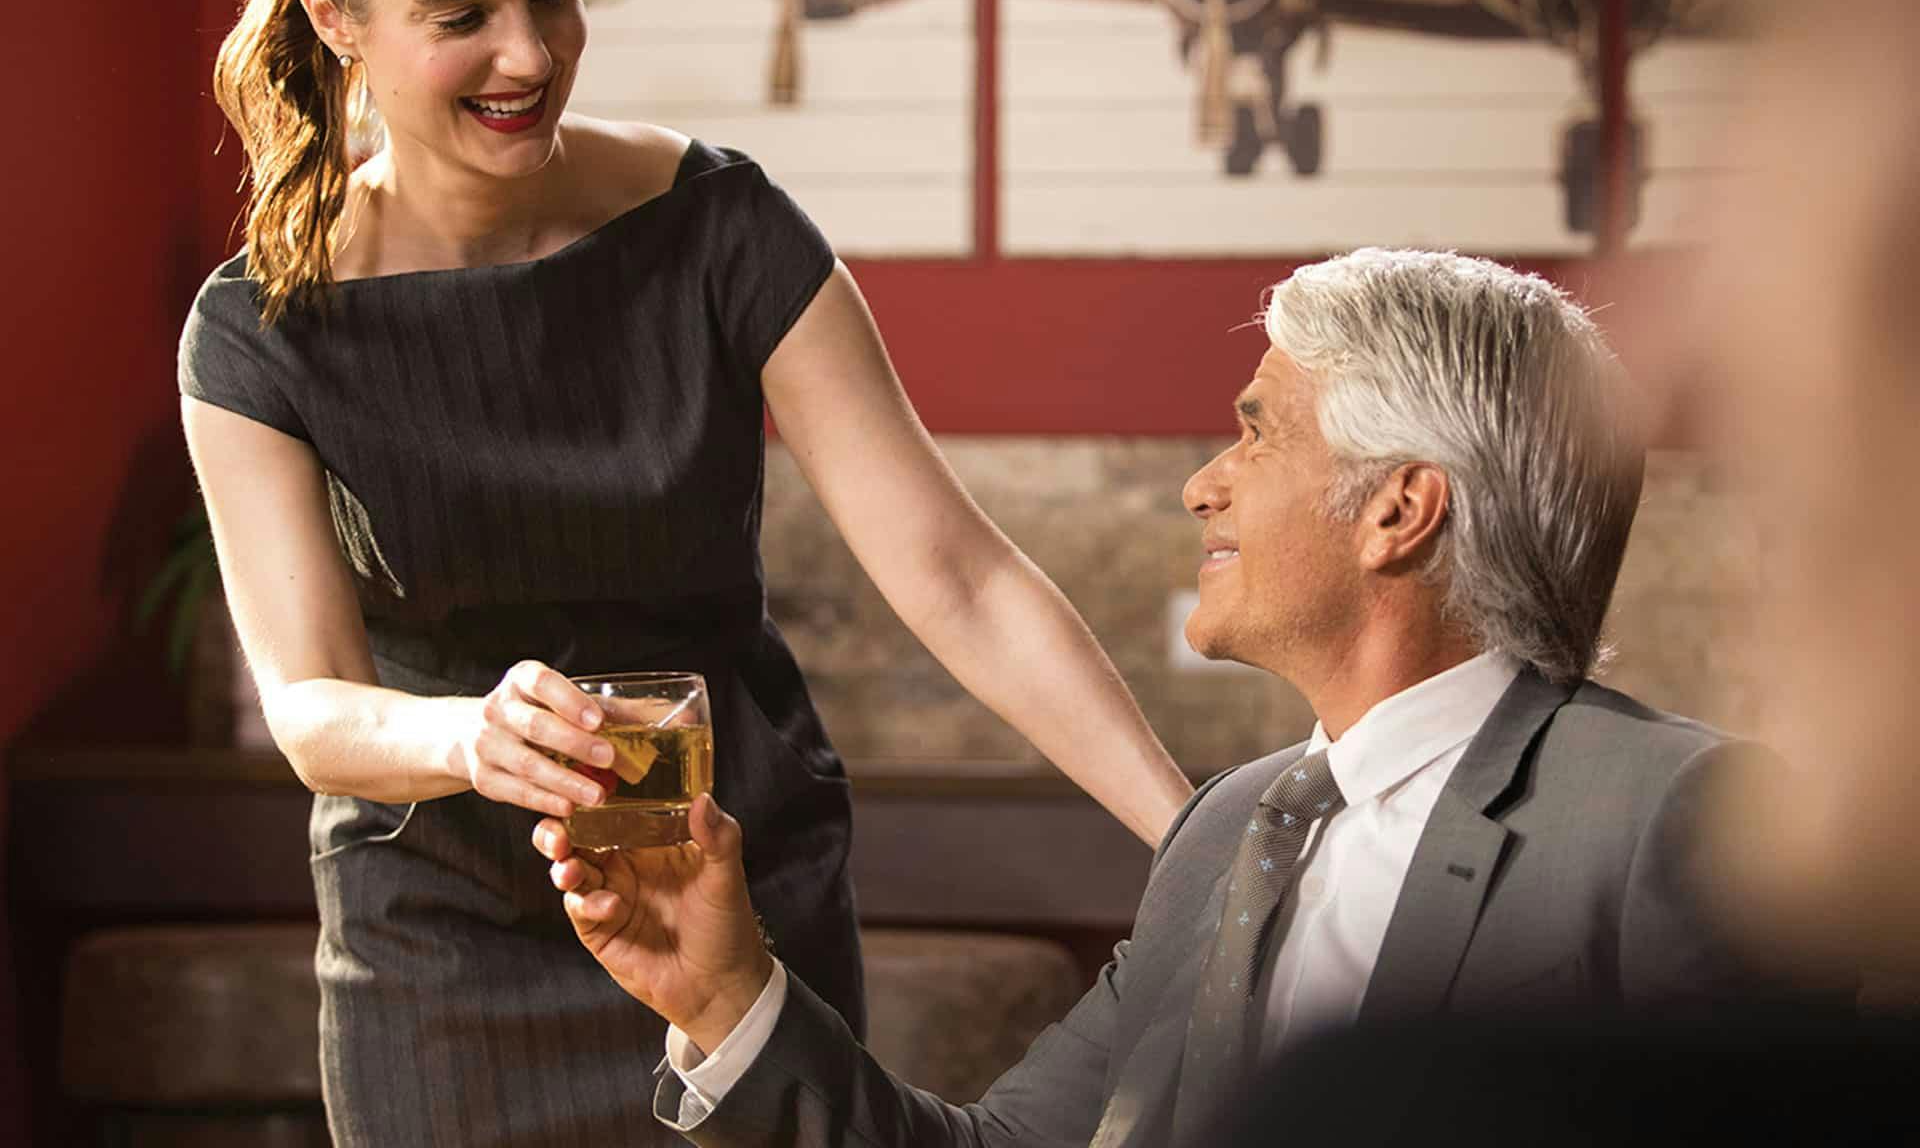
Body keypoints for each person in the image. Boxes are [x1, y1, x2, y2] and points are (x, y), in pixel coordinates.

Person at [176, 0, 1191, 1142]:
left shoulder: (722, 226)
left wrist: (1196, 841)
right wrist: (469, 736)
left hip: (737, 917)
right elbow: (312, 706)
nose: (530, 55)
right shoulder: (255, 330)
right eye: (463, 16)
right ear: (333, 15)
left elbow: (959, 575)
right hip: (442, 960)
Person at [540, 248, 1840, 1146]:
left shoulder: (1678, 815)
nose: (1201, 483)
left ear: (1399, 509)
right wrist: (725, 995)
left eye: (1258, 429)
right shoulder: (1231, 829)